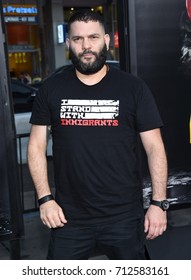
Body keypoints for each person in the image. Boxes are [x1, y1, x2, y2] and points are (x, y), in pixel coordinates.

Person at [27, 9, 168, 260]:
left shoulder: (133, 88)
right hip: (68, 217)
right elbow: (36, 146)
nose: (86, 46)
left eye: (93, 37)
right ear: (68, 42)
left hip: (124, 216)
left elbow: (155, 148)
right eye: (78, 39)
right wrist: (45, 199)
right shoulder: (51, 88)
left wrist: (158, 204)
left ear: (105, 40)